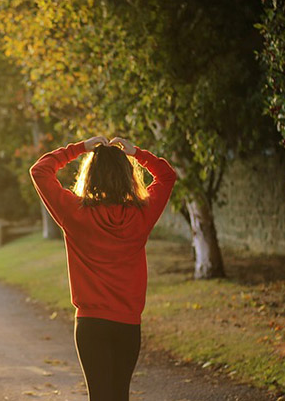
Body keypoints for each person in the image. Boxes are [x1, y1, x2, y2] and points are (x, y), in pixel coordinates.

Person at [29, 136, 177, 401]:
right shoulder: (141, 214)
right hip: (128, 324)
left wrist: (79, 148)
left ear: (91, 175)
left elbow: (40, 171)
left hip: (90, 324)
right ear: (127, 176)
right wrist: (136, 153)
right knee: (120, 395)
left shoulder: (75, 213)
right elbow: (166, 176)